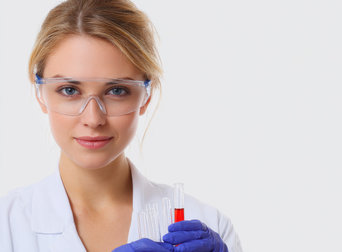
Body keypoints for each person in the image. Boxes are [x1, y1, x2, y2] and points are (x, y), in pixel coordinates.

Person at [0, 0, 242, 251]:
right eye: (69, 90)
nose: (93, 119)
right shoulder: (6, 226)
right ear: (40, 92)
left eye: (117, 90)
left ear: (146, 96)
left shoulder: (207, 227)